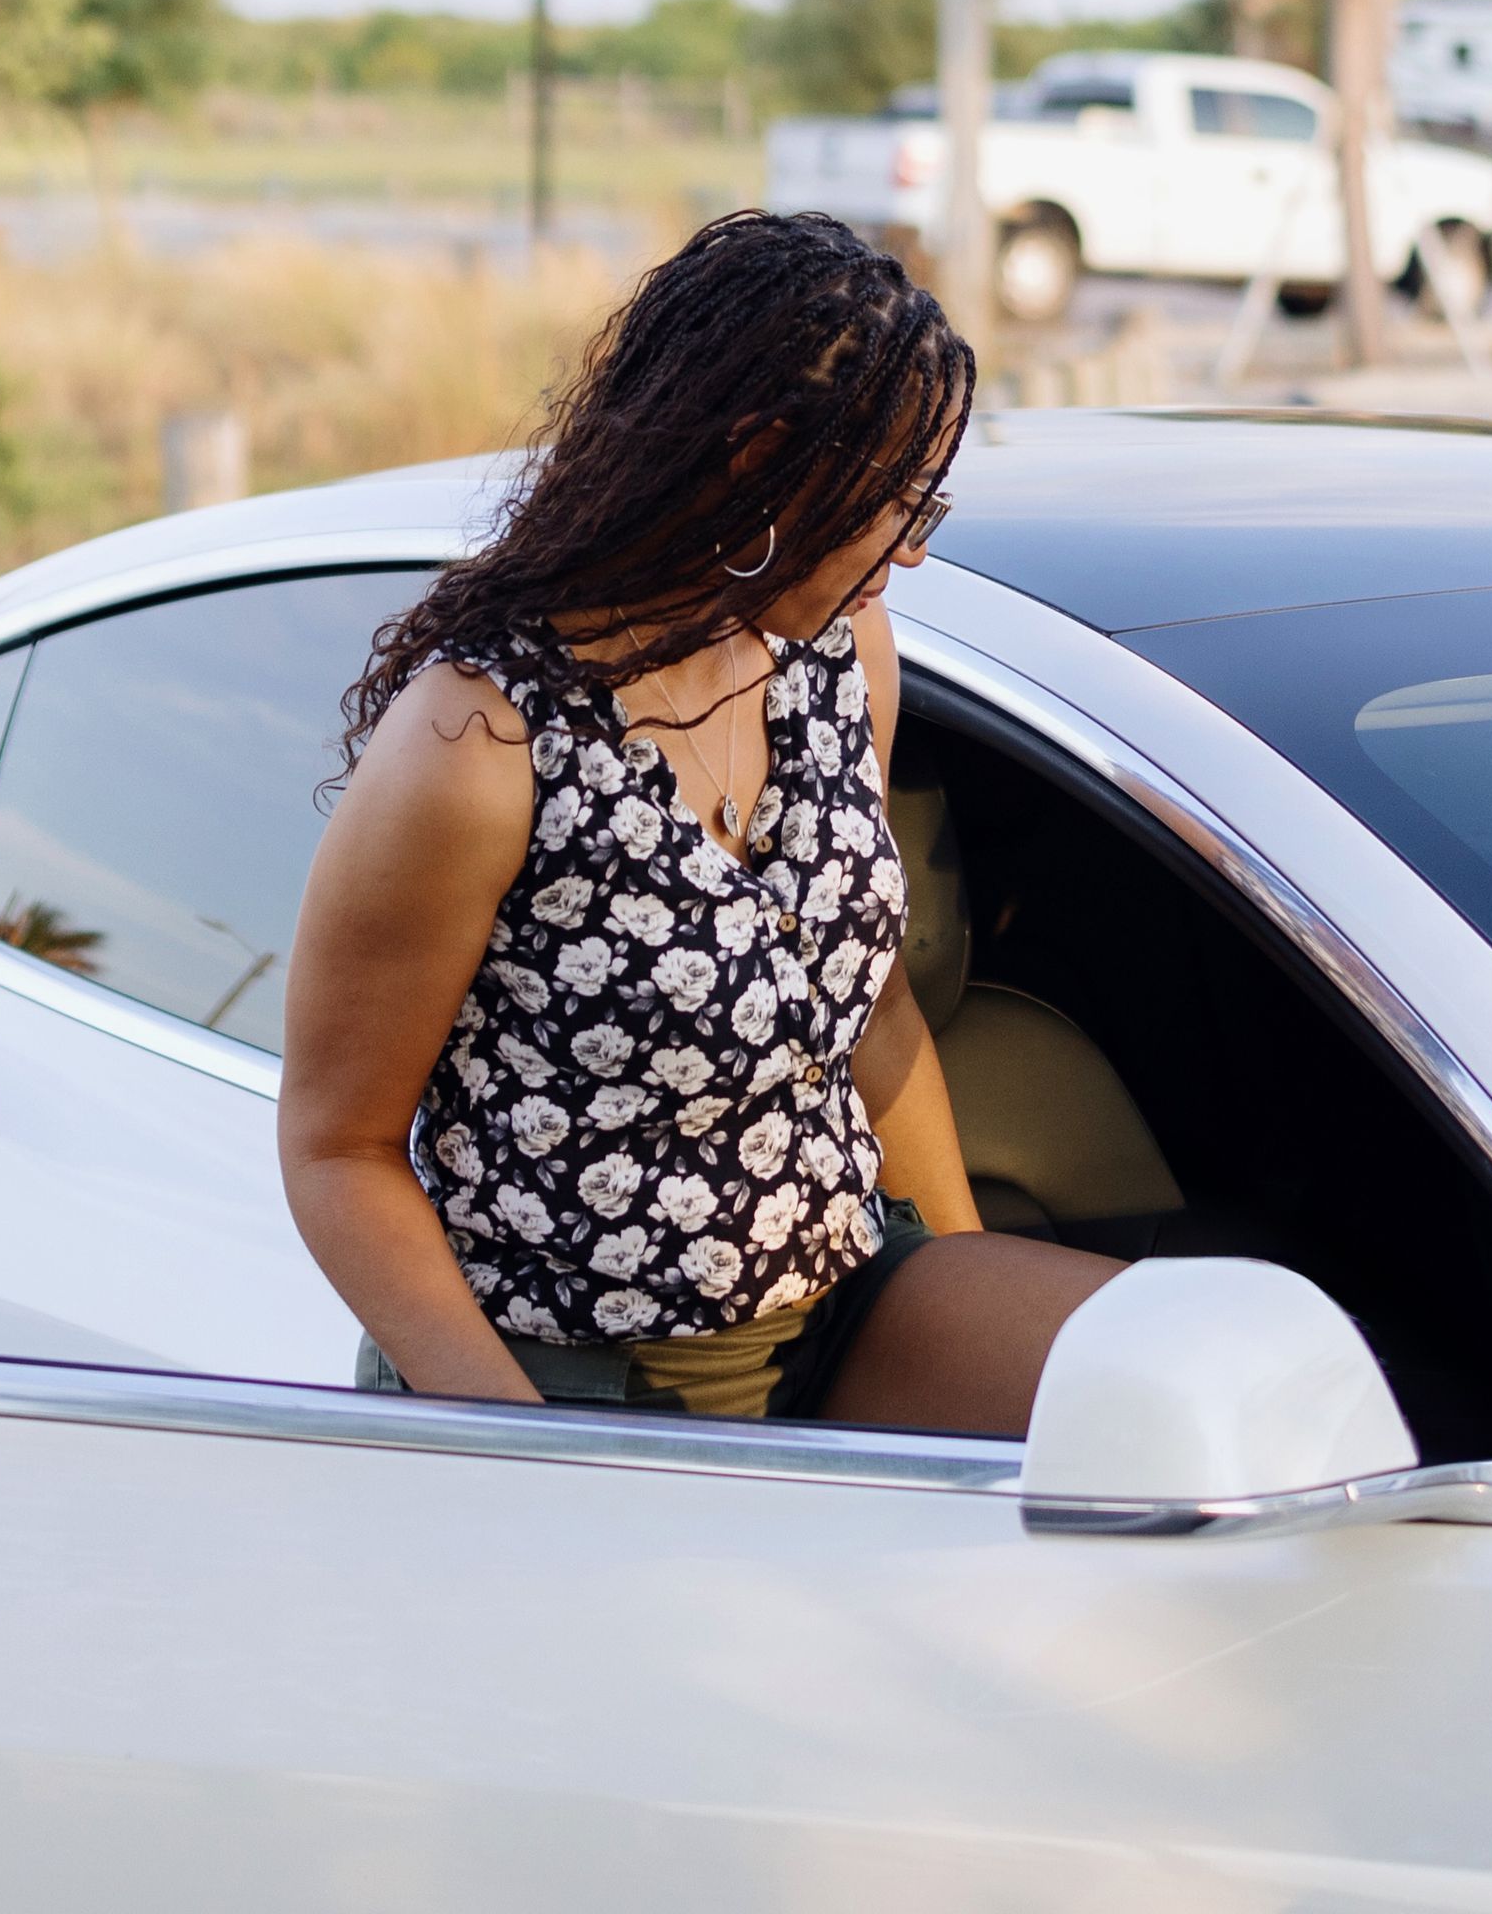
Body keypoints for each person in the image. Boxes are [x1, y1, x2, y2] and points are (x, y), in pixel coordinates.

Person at [276, 208, 1120, 1430]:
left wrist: (956, 1269)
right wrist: (511, 1452)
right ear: (761, 462)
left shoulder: (839, 651)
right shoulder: (480, 745)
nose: (913, 554)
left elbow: (872, 1009)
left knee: (1192, 1380)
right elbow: (337, 1152)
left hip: (847, 1296)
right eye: (903, 507)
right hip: (589, 1383)